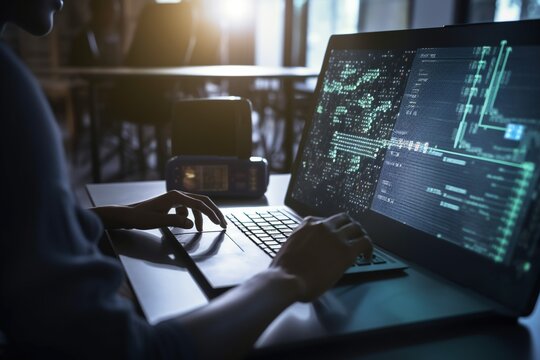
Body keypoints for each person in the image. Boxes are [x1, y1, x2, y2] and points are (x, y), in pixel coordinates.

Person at [0, 1, 373, 359]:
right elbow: (132, 354)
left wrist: (118, 216)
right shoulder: (9, 91)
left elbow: (12, 231)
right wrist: (285, 276)